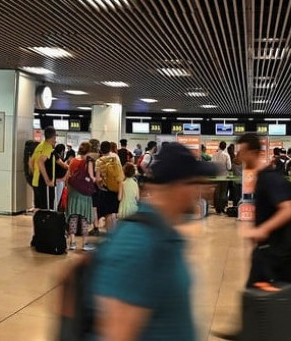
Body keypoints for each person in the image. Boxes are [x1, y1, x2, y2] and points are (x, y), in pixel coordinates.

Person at [91, 142, 216, 341]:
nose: (206, 189)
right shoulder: (137, 241)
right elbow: (116, 334)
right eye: (196, 182)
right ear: (178, 186)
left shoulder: (165, 232)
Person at [236, 132, 291, 340]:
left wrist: (263, 229)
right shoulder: (263, 177)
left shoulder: (269, 178)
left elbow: (289, 209)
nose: (240, 158)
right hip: (269, 249)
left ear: (254, 152)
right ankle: (245, 331)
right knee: (255, 287)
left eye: (242, 153)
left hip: (280, 250)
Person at [66, 141, 97, 251]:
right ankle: (85, 243)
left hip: (73, 193)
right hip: (84, 194)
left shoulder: (73, 160)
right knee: (84, 218)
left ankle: (72, 242)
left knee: (73, 217)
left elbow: (68, 176)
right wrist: (98, 178)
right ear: (89, 151)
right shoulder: (88, 161)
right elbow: (92, 178)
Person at [95, 141, 123, 234]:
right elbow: (120, 174)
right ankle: (114, 233)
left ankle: (110, 234)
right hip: (115, 189)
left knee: (107, 214)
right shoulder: (115, 157)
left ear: (101, 149)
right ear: (110, 149)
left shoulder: (99, 161)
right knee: (113, 213)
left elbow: (98, 178)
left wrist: (99, 187)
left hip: (105, 190)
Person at [29, 127, 58, 211]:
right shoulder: (48, 147)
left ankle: (38, 224)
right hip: (44, 183)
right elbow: (40, 161)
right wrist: (47, 180)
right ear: (53, 136)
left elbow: (31, 162)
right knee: (47, 209)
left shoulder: (40, 146)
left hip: (36, 181)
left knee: (38, 208)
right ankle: (47, 224)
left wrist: (35, 174)